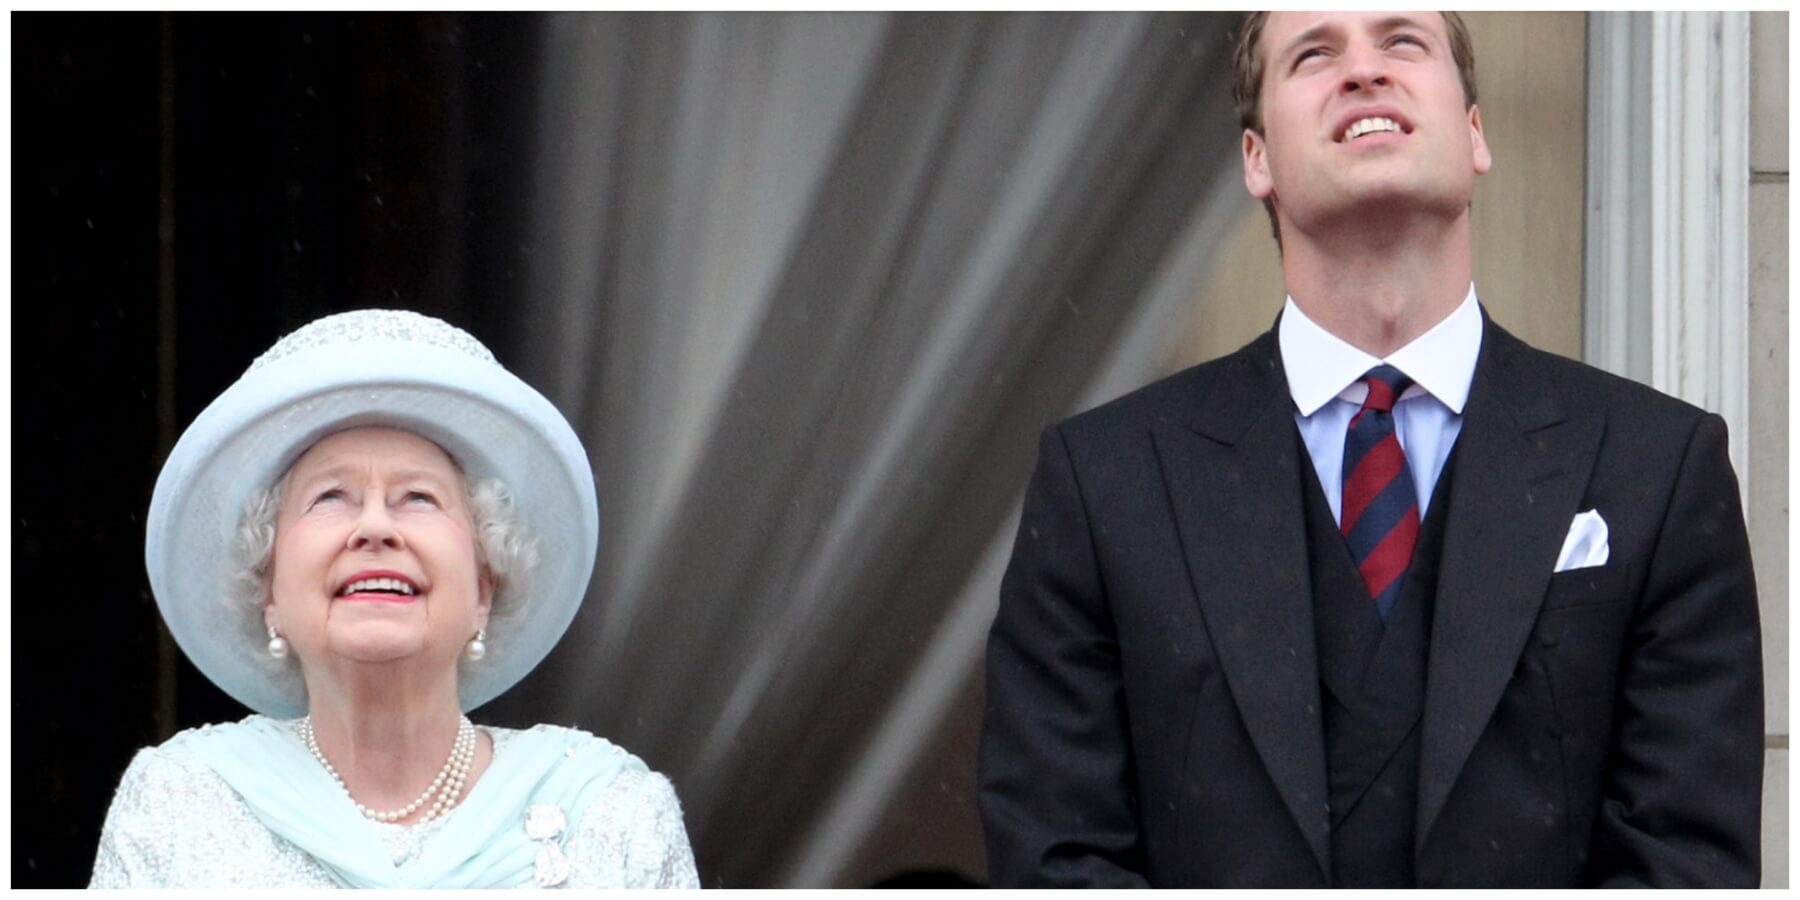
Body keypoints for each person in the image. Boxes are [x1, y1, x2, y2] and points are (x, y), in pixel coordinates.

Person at [979, 10, 1762, 888]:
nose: (1363, 71)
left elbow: (1685, 861)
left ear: (1474, 134)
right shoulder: (1106, 482)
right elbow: (1055, 855)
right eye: (1314, 54)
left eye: (1403, 42)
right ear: (1256, 157)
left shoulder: (1657, 467)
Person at [92, 309, 700, 888]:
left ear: (484, 589)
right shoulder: (179, 804)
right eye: (331, 497)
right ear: (268, 590)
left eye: (419, 498)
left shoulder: (613, 813)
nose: (376, 526)